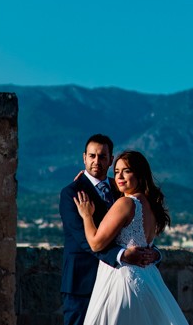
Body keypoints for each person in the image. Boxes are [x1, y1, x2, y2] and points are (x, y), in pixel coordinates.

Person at [73, 150, 188, 325]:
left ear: (140, 174)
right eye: (117, 171)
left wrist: (87, 215)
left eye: (126, 171)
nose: (120, 176)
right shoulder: (150, 205)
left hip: (122, 281)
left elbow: (96, 244)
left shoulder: (126, 203)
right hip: (149, 279)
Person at [59, 135, 159, 325]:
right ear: (84, 158)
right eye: (92, 156)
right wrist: (122, 255)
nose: (96, 161)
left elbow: (136, 228)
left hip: (117, 282)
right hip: (83, 281)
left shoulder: (121, 188)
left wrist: (152, 253)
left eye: (102, 157)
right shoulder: (72, 192)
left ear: (110, 160)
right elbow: (84, 240)